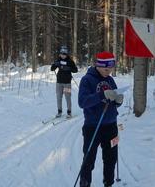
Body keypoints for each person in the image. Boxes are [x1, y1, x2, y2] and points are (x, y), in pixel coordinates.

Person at [78, 51, 124, 187]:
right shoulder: (87, 80)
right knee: (89, 160)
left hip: (111, 125)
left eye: (111, 68)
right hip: (93, 126)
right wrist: (101, 95)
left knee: (111, 159)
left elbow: (114, 98)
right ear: (98, 65)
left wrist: (118, 101)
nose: (108, 71)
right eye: (106, 68)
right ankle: (85, 184)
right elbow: (82, 102)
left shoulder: (110, 80)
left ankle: (108, 183)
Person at [51, 45, 78, 118]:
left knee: (67, 97)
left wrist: (68, 68)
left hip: (67, 83)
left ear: (67, 54)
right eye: (62, 54)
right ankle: (59, 111)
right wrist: (54, 64)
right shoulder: (58, 60)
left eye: (64, 54)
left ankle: (69, 112)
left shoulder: (70, 61)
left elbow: (75, 70)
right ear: (60, 54)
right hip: (59, 82)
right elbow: (52, 68)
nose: (63, 55)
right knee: (59, 97)